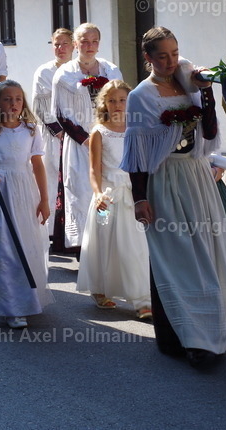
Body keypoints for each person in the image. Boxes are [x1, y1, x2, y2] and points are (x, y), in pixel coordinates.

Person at [124, 27, 226, 369]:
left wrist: (205, 92)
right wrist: (139, 198)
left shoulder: (188, 83)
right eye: (162, 56)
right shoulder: (140, 96)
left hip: (196, 175)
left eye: (174, 54)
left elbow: (209, 131)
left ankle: (215, 331)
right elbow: (137, 155)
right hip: (165, 179)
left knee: (208, 251)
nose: (170, 61)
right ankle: (190, 338)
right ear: (148, 58)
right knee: (178, 259)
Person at [0, 80, 51, 328]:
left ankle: (29, 299)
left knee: (26, 244)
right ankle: (11, 306)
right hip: (0, 194)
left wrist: (44, 199)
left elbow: (37, 165)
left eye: (18, 99)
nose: (13, 104)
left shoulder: (31, 130)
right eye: (7, 99)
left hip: (25, 192)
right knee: (5, 248)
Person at [77, 79, 152, 318]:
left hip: (131, 194)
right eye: (112, 101)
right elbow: (94, 170)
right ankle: (100, 289)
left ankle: (142, 299)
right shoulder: (99, 132)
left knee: (135, 246)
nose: (117, 105)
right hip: (107, 196)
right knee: (104, 244)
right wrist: (98, 193)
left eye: (122, 100)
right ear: (104, 104)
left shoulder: (137, 129)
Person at [50, 23, 122, 252]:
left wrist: (112, 133)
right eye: (84, 41)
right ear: (75, 44)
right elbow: (61, 114)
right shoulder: (65, 75)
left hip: (109, 141)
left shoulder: (111, 70)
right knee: (82, 192)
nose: (90, 46)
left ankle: (108, 241)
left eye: (94, 41)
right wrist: (86, 140)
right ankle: (87, 247)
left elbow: (121, 103)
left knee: (109, 190)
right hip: (80, 144)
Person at [31, 27, 74, 240]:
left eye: (65, 43)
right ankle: (51, 229)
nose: (60, 48)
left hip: (78, 135)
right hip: (53, 135)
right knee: (51, 176)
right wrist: (59, 131)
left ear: (73, 46)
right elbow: (39, 106)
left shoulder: (79, 70)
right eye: (56, 44)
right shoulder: (44, 72)